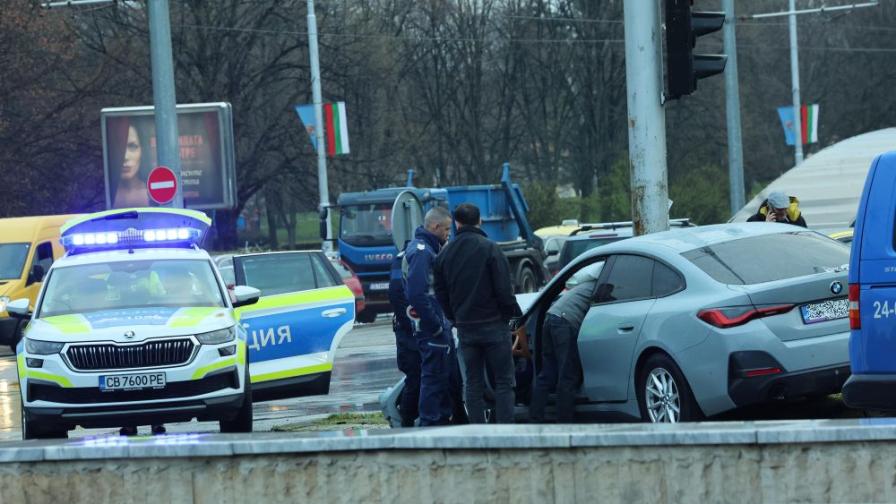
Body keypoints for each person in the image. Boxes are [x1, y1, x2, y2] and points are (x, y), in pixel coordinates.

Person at [434, 203, 521, 424]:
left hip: (466, 329)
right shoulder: (490, 248)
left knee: (472, 383)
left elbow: (440, 293)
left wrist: (454, 317)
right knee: (503, 381)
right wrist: (512, 314)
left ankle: (477, 431)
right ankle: (505, 431)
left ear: (456, 223)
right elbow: (504, 290)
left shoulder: (445, 255)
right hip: (494, 326)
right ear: (479, 221)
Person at [404, 206, 463, 426]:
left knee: (443, 377)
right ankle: (430, 423)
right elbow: (417, 294)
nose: (448, 233)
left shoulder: (429, 249)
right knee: (433, 377)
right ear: (435, 226)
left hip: (436, 326)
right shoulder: (422, 252)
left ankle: (441, 420)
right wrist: (437, 325)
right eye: (447, 229)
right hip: (432, 330)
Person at [528, 262, 603, 423]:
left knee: (547, 372)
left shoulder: (583, 286)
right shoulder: (602, 286)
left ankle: (535, 417)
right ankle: (564, 421)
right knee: (567, 375)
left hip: (550, 318)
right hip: (565, 323)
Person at [389, 246, 420, 427]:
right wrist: (410, 323)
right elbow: (396, 293)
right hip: (409, 331)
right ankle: (406, 424)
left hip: (412, 328)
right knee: (415, 378)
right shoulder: (405, 258)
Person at [112, 124, 150, 208]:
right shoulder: (104, 196)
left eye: (132, 146)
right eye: (118, 147)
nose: (125, 156)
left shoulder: (153, 194)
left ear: (143, 151)